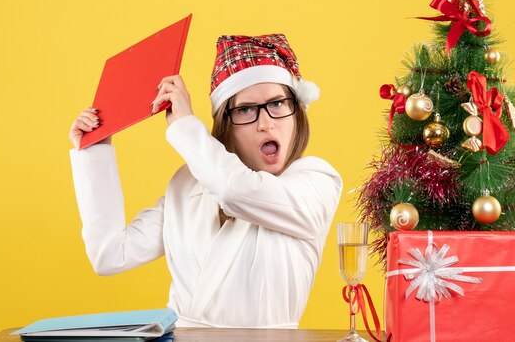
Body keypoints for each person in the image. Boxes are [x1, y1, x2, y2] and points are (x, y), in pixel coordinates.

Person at [68, 34, 343, 328]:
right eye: (246, 110)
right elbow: (110, 255)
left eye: (277, 103)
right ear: (226, 125)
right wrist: (95, 150)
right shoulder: (187, 183)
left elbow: (235, 190)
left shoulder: (317, 181)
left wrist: (184, 125)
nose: (266, 123)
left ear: (297, 112)